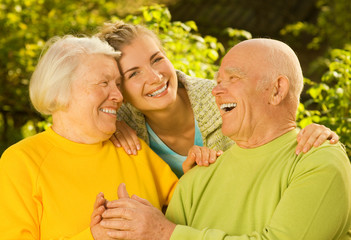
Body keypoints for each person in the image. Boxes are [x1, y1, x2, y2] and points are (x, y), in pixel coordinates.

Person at [94, 38, 351, 240]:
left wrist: (165, 234)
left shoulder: (319, 161)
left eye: (233, 78)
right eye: (218, 80)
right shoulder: (195, 179)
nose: (215, 90)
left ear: (277, 90)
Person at [97, 21, 339, 178]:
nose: (155, 76)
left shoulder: (223, 97)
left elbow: (277, 131)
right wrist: (110, 126)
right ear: (120, 90)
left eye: (157, 59)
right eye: (134, 73)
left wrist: (313, 136)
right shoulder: (117, 124)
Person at [0, 35, 178, 239]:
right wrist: (94, 236)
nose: (118, 96)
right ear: (60, 92)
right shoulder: (22, 162)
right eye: (103, 83)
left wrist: (200, 169)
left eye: (118, 84)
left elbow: (192, 210)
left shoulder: (132, 148)